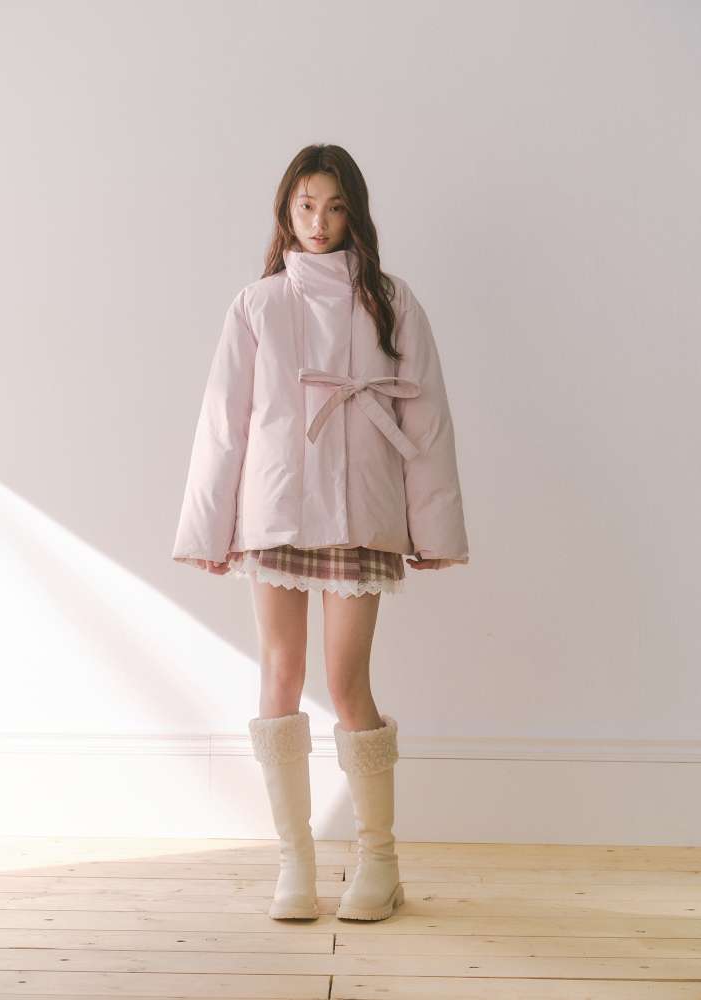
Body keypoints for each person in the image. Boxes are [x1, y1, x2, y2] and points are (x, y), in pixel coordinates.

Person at [172, 143, 470, 922]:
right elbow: (224, 421)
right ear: (287, 209)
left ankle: (379, 860)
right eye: (306, 205)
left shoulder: (392, 301)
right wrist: (208, 529)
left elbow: (427, 419)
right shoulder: (258, 304)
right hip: (277, 507)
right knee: (278, 673)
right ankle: (294, 863)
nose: (319, 221)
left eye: (335, 207)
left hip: (361, 511)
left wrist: (433, 531)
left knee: (346, 684)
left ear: (354, 213)